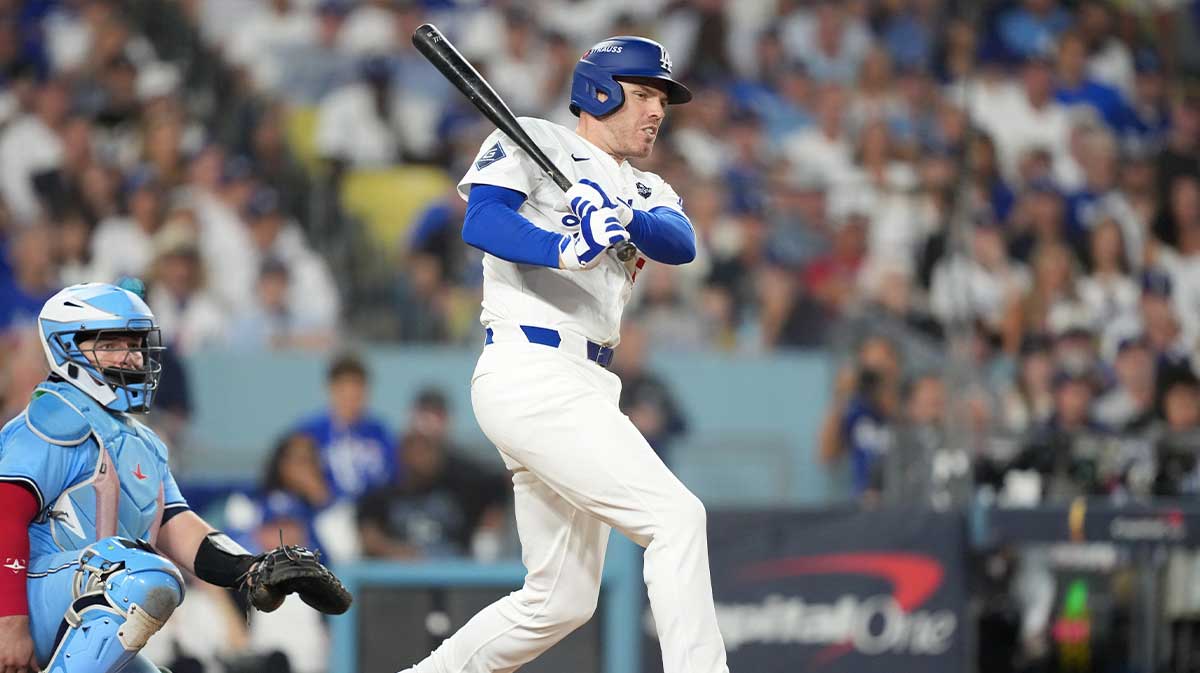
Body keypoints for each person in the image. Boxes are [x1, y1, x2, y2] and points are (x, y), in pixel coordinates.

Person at [399, 37, 729, 673]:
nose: (657, 110)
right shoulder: (535, 139)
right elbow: (483, 222)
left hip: (587, 382)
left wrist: (620, 218)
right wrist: (564, 244)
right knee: (676, 518)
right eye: (642, 95)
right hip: (530, 369)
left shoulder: (647, 185)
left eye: (661, 98)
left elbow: (679, 242)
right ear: (599, 92)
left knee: (560, 598)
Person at [0, 281, 348, 673]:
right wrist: (10, 622)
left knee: (143, 574)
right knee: (144, 573)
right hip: (26, 599)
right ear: (66, 347)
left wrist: (251, 568)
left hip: (81, 613)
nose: (131, 358)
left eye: (134, 345)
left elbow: (180, 529)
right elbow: (4, 516)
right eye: (113, 344)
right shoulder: (52, 418)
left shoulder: (142, 440)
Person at [294, 353, 396, 501]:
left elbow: (393, 475)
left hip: (370, 513)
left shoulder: (379, 432)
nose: (350, 400)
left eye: (357, 393)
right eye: (343, 392)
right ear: (330, 389)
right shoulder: (310, 432)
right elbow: (294, 472)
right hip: (323, 513)